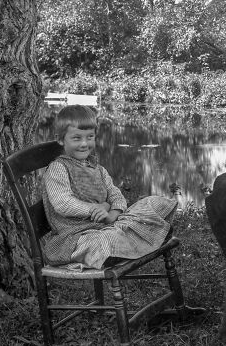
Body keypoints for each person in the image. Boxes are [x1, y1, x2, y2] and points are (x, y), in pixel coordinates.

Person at [41, 105, 177, 269]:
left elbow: (116, 195)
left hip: (109, 225)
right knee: (100, 242)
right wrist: (95, 209)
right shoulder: (58, 168)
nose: (84, 144)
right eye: (76, 138)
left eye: (90, 137)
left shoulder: (98, 169)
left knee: (155, 202)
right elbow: (62, 203)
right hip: (77, 235)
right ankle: (125, 248)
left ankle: (126, 245)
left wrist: (112, 214)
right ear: (61, 139)